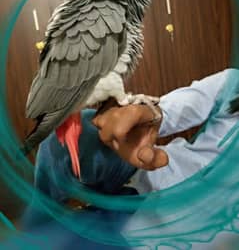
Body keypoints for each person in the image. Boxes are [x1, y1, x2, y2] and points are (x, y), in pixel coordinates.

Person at [22, 68, 239, 219]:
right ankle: (39, 221)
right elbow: (173, 110)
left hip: (189, 227)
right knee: (70, 137)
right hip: (149, 175)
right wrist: (148, 115)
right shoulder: (233, 84)